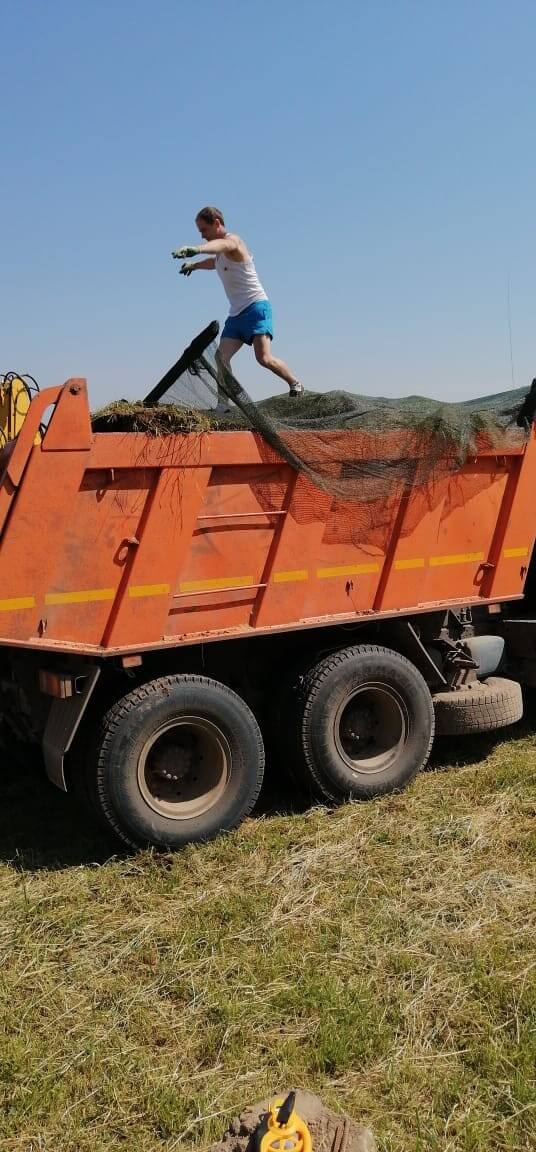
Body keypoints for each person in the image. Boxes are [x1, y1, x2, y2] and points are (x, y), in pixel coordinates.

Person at [172, 206, 303, 409]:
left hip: (256, 307)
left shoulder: (233, 241)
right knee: (221, 358)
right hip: (236, 315)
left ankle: (295, 383)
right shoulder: (219, 255)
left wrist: (196, 249)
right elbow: (213, 262)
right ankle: (223, 404)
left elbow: (222, 245)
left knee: (264, 358)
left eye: (204, 230)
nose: (202, 235)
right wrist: (194, 265)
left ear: (217, 223)